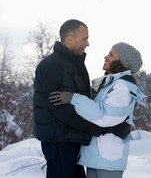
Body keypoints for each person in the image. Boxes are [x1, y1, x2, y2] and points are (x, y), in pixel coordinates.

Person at [33, 20, 130, 178]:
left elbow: (83, 101)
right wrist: (101, 129)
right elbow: (61, 109)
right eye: (84, 39)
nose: (88, 43)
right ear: (70, 39)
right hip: (60, 142)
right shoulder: (56, 65)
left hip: (69, 140)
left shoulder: (71, 63)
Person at [49, 42, 145, 178]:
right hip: (96, 157)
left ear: (122, 62)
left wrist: (73, 98)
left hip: (108, 158)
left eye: (111, 55)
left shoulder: (123, 87)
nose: (106, 57)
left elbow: (104, 117)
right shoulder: (108, 86)